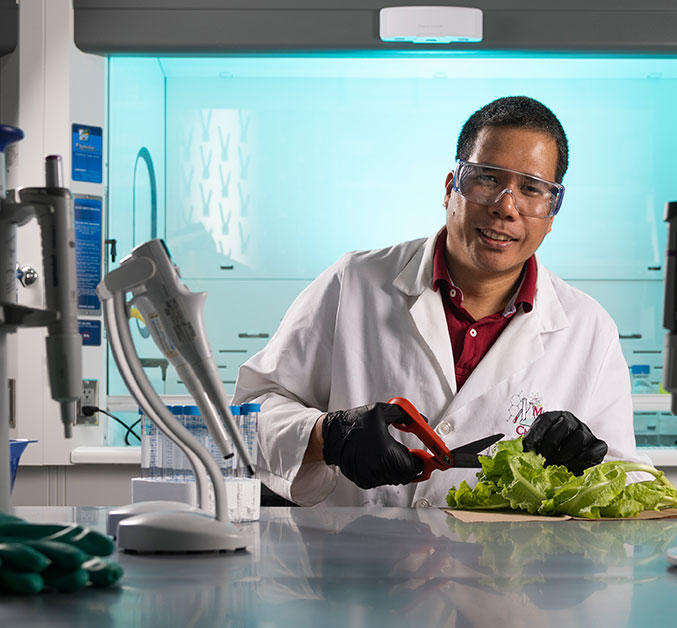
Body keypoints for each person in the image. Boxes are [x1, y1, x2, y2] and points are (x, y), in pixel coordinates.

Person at [233, 96, 648, 507]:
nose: (506, 207)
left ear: (552, 212)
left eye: (531, 189)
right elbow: (248, 417)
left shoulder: (588, 328)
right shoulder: (353, 282)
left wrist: (586, 464)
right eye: (487, 178)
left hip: (509, 571)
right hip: (353, 563)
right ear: (451, 188)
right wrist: (328, 435)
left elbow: (629, 481)